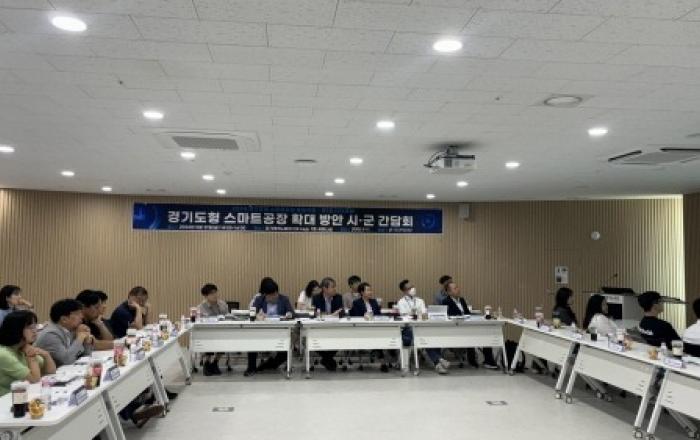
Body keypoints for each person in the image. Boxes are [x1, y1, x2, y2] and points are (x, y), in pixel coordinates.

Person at [396, 280, 448, 374]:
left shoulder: (420, 301)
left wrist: (416, 315)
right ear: (404, 291)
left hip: (421, 327)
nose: (412, 289)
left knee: (430, 336)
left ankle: (438, 362)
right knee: (423, 337)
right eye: (409, 288)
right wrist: (415, 314)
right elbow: (405, 317)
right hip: (408, 328)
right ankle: (438, 361)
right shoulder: (401, 302)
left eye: (412, 286)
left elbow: (424, 314)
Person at [442, 282, 498, 369]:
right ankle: (472, 360)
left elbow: (468, 314)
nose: (458, 290)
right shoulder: (446, 301)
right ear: (449, 292)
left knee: (486, 333)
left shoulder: (462, 300)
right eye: (455, 288)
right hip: (455, 328)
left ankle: (488, 361)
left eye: (457, 287)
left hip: (467, 325)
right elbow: (447, 316)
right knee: (470, 334)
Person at [0, 311, 56, 396]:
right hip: (7, 400)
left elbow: (50, 372)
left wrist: (46, 355)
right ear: (16, 329)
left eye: (35, 326)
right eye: (30, 327)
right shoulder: (3, 354)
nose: (35, 331)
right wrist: (31, 356)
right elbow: (34, 380)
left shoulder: (23, 347)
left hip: (25, 396)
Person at [246, 278, 294, 376]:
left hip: (280, 331)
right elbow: (252, 313)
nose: (273, 297)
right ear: (265, 294)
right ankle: (251, 368)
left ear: (277, 292)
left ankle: (267, 365)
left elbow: (292, 313)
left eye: (275, 294)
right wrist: (257, 316)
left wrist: (289, 314)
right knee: (251, 340)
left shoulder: (284, 299)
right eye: (270, 296)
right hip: (262, 331)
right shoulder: (259, 299)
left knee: (287, 349)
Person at [35, 299, 94, 367]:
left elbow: (85, 357)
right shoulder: (50, 334)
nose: (82, 317)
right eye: (77, 314)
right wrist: (80, 338)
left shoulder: (70, 331)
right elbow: (66, 360)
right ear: (64, 319)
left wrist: (86, 342)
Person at [311, 277, 344, 370]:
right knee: (312, 340)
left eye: (335, 287)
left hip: (335, 327)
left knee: (342, 338)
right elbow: (315, 313)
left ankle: (326, 359)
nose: (335, 289)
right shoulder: (316, 298)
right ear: (325, 289)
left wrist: (337, 314)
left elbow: (342, 312)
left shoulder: (338, 297)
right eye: (332, 287)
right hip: (319, 327)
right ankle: (328, 359)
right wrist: (330, 315)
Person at [198, 283, 230, 376]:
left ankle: (215, 362)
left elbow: (228, 317)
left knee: (224, 339)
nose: (215, 295)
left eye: (215, 292)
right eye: (211, 293)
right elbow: (199, 321)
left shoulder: (222, 304)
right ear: (205, 296)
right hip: (207, 333)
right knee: (208, 339)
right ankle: (207, 363)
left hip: (221, 331)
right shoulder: (201, 307)